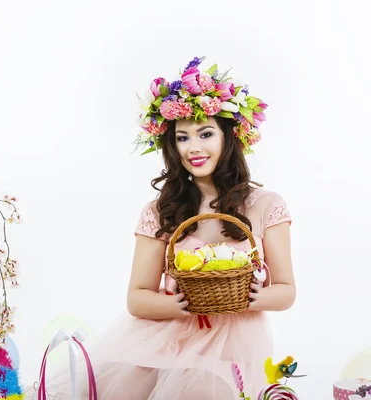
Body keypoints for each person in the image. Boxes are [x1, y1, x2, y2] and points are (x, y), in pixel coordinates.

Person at [27, 56, 296, 400]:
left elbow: (286, 290)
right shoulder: (160, 211)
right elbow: (137, 298)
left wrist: (247, 297)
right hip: (168, 334)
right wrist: (182, 305)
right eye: (182, 138)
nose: (194, 148)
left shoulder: (265, 205)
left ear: (229, 137)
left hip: (233, 340)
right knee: (129, 381)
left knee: (200, 385)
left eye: (206, 133)